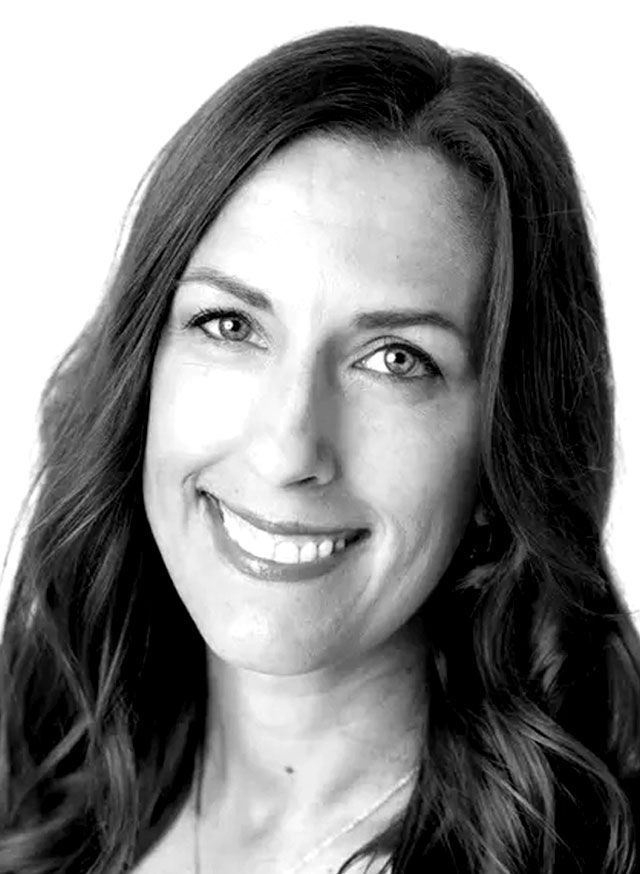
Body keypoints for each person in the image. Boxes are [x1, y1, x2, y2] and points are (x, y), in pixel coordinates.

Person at [1, 22, 639, 874]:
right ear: (142, 372)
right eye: (230, 325)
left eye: (395, 360)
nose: (287, 447)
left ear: (502, 450)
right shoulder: (34, 792)